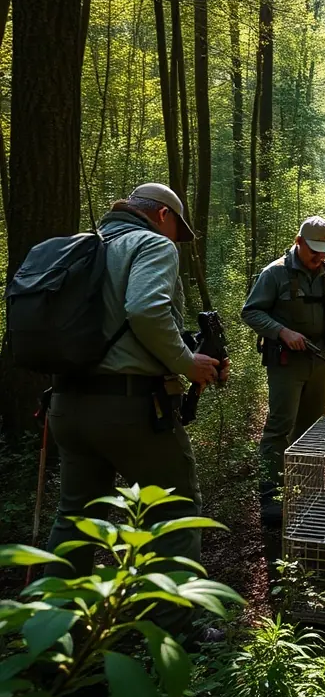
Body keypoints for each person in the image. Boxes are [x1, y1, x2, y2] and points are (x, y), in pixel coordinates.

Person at [45, 183, 227, 629]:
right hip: (129, 410)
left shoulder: (79, 248)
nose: (174, 241)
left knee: (74, 519)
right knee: (175, 509)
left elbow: (117, 325)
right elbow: (145, 311)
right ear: (163, 216)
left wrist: (182, 347)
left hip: (67, 404)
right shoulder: (149, 244)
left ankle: (52, 638)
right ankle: (174, 630)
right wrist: (188, 363)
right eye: (175, 231)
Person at [242, 216, 325, 525]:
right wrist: (283, 332)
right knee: (279, 428)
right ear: (299, 242)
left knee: (314, 428)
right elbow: (251, 311)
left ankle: (310, 488)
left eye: (324, 251)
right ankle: (271, 497)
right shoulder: (275, 274)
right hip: (285, 362)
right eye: (314, 250)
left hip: (320, 360)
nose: (319, 257)